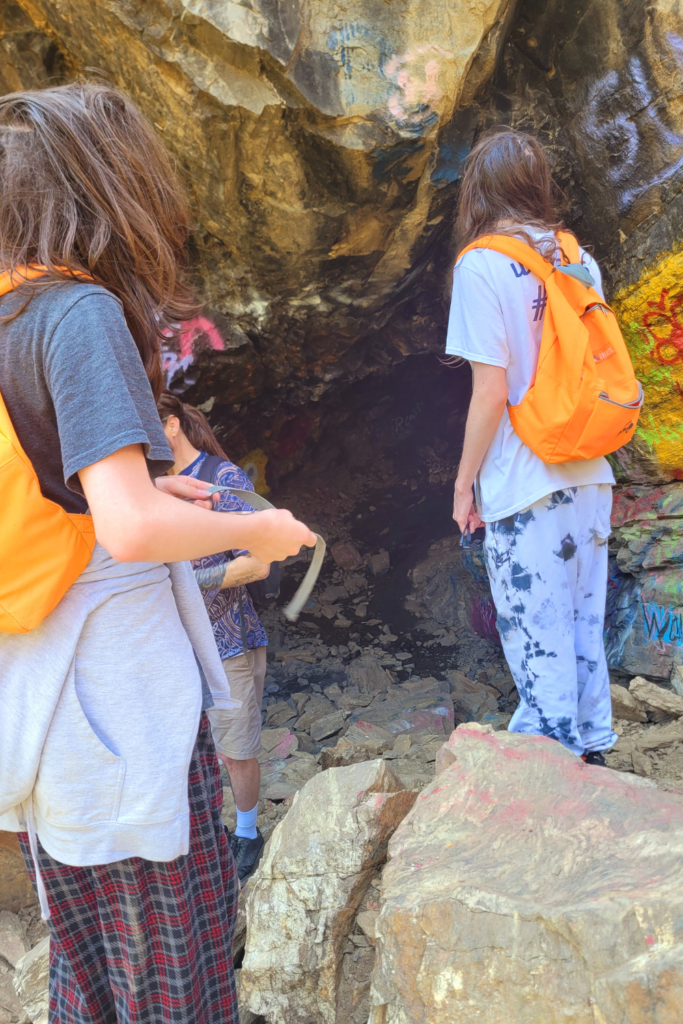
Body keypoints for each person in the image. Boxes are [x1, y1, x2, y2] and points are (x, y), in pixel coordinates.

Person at [0, 82, 314, 1024]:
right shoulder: (78, 313)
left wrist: (145, 492)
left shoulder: (10, 314)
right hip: (115, 694)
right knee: (174, 967)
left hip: (43, 693)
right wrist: (254, 528)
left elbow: (65, 495)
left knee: (90, 970)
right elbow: (130, 530)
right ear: (106, 190)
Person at [447, 128, 616, 766]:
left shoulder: (480, 264)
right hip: (590, 472)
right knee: (581, 624)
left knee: (535, 632)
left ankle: (554, 772)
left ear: (478, 191)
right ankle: (594, 751)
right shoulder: (579, 258)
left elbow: (491, 391)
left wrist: (466, 484)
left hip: (526, 482)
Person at [158, 392, 271, 883]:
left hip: (228, 643)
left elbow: (259, 561)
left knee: (235, 749)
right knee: (189, 751)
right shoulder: (148, 491)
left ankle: (247, 832)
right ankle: (208, 834)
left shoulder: (223, 480)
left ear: (171, 426)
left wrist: (193, 583)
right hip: (172, 648)